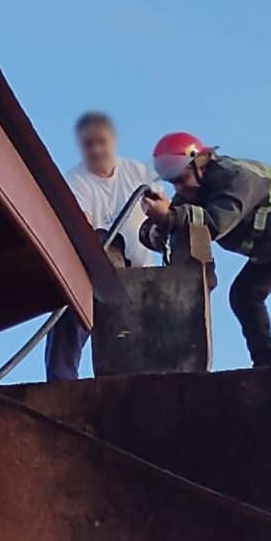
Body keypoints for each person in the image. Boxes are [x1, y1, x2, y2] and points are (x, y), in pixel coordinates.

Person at [141, 132, 271, 367]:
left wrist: (170, 217)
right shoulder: (190, 195)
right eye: (173, 183)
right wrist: (156, 229)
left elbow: (215, 223)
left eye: (182, 179)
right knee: (243, 294)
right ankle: (267, 364)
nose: (179, 188)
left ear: (199, 164)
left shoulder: (234, 177)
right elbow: (174, 221)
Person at [45, 111, 159, 381]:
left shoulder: (139, 173)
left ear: (112, 141)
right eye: (88, 144)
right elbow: (80, 227)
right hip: (95, 274)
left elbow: (160, 213)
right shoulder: (75, 181)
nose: (95, 150)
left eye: (101, 142)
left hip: (139, 276)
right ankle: (61, 383)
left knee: (141, 345)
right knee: (68, 312)